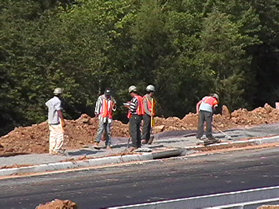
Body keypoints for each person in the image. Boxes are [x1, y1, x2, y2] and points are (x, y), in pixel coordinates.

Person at [45, 88, 66, 155]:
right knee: (60, 136)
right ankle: (57, 149)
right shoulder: (58, 101)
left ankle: (51, 150)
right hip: (56, 121)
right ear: (60, 94)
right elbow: (59, 111)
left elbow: (47, 104)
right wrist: (62, 120)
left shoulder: (50, 100)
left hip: (50, 120)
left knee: (53, 136)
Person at [124, 85, 144, 151]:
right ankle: (138, 145)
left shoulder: (135, 99)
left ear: (132, 92)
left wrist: (128, 106)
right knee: (138, 130)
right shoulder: (140, 98)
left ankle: (134, 145)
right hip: (140, 116)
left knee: (133, 131)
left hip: (135, 116)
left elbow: (132, 109)